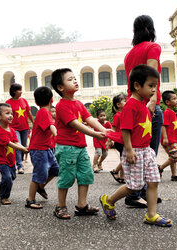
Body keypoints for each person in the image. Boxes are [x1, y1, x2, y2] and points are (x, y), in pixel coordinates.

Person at [99, 64, 172, 227]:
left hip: (147, 150)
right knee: (135, 186)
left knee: (153, 181)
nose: (154, 90)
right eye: (151, 86)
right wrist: (130, 150)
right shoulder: (131, 106)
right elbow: (125, 129)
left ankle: (151, 215)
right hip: (135, 151)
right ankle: (109, 200)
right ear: (137, 86)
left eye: (155, 86)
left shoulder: (144, 105)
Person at [50, 68, 107, 220]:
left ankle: (82, 205)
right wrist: (95, 134)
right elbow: (75, 124)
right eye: (70, 79)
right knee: (66, 177)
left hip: (80, 147)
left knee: (85, 175)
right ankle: (60, 206)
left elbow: (89, 119)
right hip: (67, 148)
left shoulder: (79, 104)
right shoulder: (62, 106)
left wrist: (105, 132)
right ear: (60, 87)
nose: (75, 80)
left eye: (75, 78)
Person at [124, 15, 163, 208]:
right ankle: (136, 194)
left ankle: (143, 191)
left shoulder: (130, 54)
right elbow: (151, 71)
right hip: (148, 105)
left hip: (134, 103)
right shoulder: (152, 47)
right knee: (149, 151)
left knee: (139, 149)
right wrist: (154, 98)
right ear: (150, 28)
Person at [25, 87, 59, 209]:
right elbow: (51, 126)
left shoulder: (44, 112)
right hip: (39, 150)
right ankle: (30, 200)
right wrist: (57, 136)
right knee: (39, 174)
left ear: (36, 102)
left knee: (55, 170)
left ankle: (40, 187)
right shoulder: (44, 112)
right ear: (52, 100)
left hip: (46, 148)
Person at [0, 103, 28, 205]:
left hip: (11, 159)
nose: (11, 115)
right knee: (8, 178)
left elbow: (16, 142)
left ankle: (1, 185)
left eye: (11, 113)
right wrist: (23, 150)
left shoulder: (12, 130)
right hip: (1, 160)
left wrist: (23, 147)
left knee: (12, 177)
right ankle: (4, 197)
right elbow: (10, 144)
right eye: (7, 113)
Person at [6, 83, 34, 174]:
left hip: (25, 127)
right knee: (18, 146)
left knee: (23, 147)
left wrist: (34, 122)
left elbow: (29, 113)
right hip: (14, 128)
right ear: (14, 91)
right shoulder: (8, 103)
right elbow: (5, 115)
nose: (21, 92)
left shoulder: (24, 101)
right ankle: (20, 166)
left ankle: (19, 161)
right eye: (19, 90)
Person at [158, 91, 177, 181]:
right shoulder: (167, 112)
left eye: (176, 98)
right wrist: (165, 138)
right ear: (167, 102)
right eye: (174, 99)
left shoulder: (172, 112)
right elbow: (163, 125)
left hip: (174, 139)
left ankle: (174, 175)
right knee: (176, 156)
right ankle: (160, 168)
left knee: (172, 157)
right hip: (169, 139)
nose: (176, 100)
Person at [110, 94, 126, 184]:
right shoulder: (118, 115)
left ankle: (122, 177)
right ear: (118, 105)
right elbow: (113, 128)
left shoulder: (125, 114)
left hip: (124, 140)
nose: (126, 102)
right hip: (119, 141)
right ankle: (115, 171)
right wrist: (111, 139)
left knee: (123, 158)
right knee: (125, 158)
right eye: (124, 101)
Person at [92, 109, 112, 173]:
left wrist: (110, 141)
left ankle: (100, 163)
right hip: (97, 139)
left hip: (105, 141)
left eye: (104, 115)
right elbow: (89, 124)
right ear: (97, 117)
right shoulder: (96, 123)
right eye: (101, 116)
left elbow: (111, 132)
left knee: (105, 153)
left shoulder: (108, 123)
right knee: (98, 152)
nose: (103, 117)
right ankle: (94, 165)